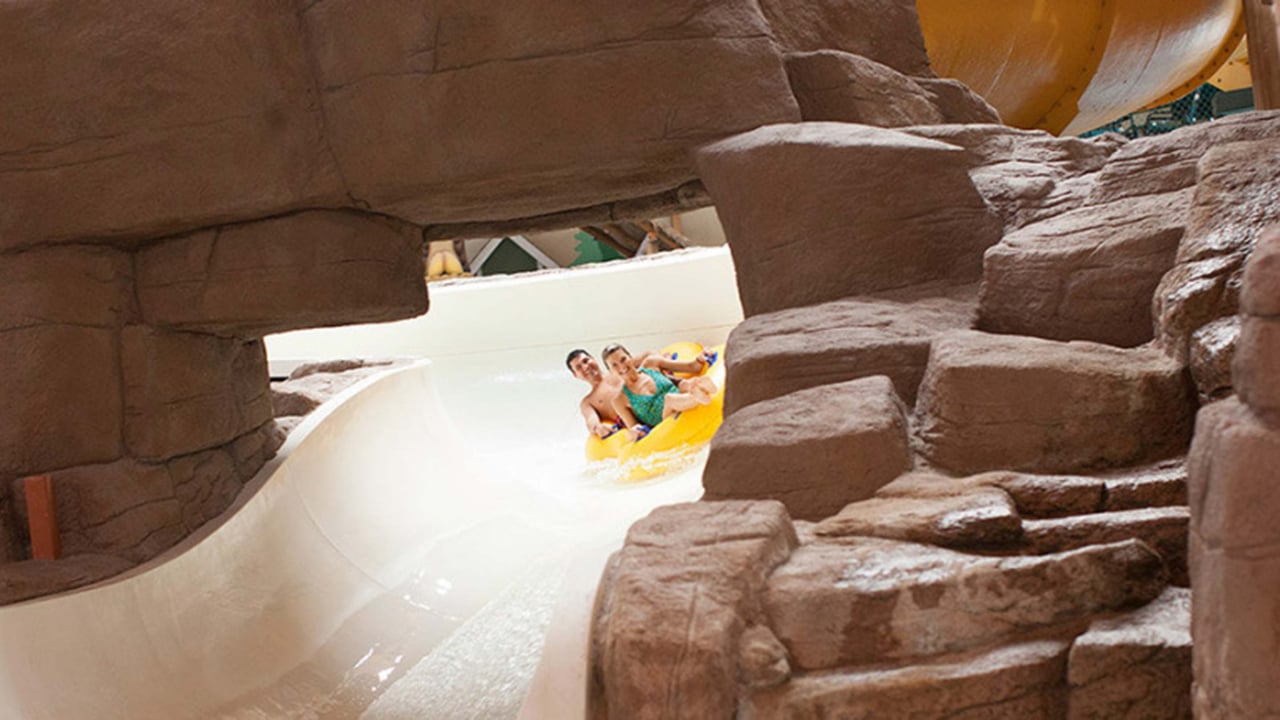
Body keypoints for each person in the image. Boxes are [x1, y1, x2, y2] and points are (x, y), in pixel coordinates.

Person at [601, 344, 716, 433]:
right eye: (614, 365)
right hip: (666, 420)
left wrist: (701, 358)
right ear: (610, 371)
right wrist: (635, 432)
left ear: (630, 357)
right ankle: (697, 397)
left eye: (623, 359)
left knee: (686, 384)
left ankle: (705, 388)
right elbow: (635, 428)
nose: (621, 366)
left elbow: (691, 367)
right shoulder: (619, 399)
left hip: (680, 395)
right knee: (669, 399)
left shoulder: (651, 364)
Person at [566, 349, 636, 439]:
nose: (585, 367)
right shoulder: (588, 402)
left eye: (586, 361)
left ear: (593, 359)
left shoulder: (617, 370)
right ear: (575, 375)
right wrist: (598, 428)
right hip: (631, 426)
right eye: (578, 367)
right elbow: (591, 421)